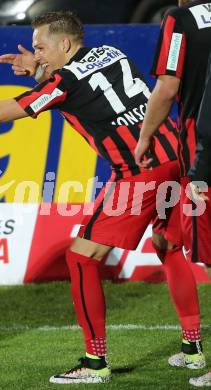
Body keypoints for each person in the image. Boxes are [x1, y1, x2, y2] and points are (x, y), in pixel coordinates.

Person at [0, 11, 204, 384]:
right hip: (177, 160)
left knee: (81, 258)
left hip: (140, 172)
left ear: (65, 44)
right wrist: (39, 71)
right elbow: (84, 82)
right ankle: (192, 349)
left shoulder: (64, 81)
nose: (36, 54)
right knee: (166, 245)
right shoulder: (110, 52)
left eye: (40, 48)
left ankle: (94, 362)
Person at [134, 0, 211, 386]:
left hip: (204, 151)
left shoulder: (180, 19)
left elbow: (167, 86)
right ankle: (193, 345)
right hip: (197, 152)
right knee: (167, 239)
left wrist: (145, 136)